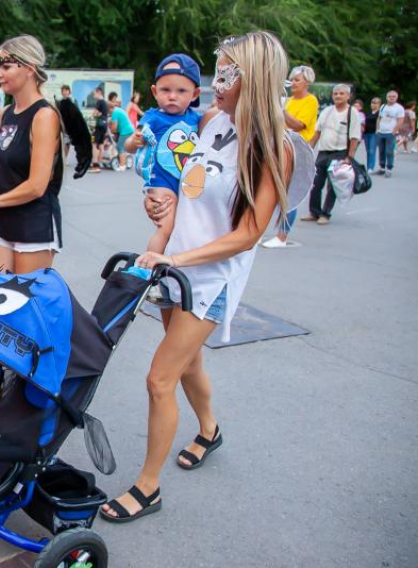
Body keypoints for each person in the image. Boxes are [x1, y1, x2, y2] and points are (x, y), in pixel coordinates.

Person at [99, 31, 311, 524]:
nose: (216, 82)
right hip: (174, 265)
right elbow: (186, 187)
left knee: (160, 378)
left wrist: (182, 259)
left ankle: (147, 487)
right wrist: (160, 204)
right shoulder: (212, 122)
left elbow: (247, 234)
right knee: (189, 363)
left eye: (225, 72)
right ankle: (210, 430)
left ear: (251, 77)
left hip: (208, 280)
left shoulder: (270, 147)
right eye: (216, 71)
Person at [0, 34, 63, 277]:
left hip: (35, 227)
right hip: (5, 222)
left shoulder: (44, 116)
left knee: (24, 308)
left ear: (29, 69)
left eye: (6, 66)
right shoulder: (7, 112)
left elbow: (37, 186)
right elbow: (3, 164)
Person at [125, 54, 202, 261]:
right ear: (154, 91)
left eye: (181, 91)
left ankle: (167, 267)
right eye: (165, 90)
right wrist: (135, 141)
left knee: (182, 228)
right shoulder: (153, 117)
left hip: (187, 181)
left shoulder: (198, 119)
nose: (172, 96)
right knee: (166, 227)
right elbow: (129, 145)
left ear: (195, 94)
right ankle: (147, 267)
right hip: (162, 180)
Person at [262, 65, 318, 248]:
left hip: (298, 151)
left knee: (289, 193)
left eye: (297, 80)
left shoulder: (310, 101)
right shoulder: (289, 100)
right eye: (292, 79)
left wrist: (280, 110)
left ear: (307, 82)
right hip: (280, 147)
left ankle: (282, 236)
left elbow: (299, 125)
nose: (293, 83)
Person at [300, 84, 361, 225]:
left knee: (332, 185)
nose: (338, 96)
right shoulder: (326, 111)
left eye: (341, 93)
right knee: (315, 183)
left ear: (348, 96)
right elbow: (317, 133)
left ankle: (325, 213)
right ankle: (314, 212)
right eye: (336, 94)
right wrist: (308, 151)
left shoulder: (352, 113)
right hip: (323, 152)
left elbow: (354, 138)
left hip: (340, 153)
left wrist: (349, 157)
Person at [375, 90, 405, 178]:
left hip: (390, 132)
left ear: (396, 97)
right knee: (381, 151)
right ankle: (382, 168)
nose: (391, 98)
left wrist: (394, 130)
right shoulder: (383, 106)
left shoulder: (399, 108)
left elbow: (400, 120)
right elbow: (379, 118)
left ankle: (389, 169)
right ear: (387, 97)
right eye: (390, 96)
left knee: (389, 151)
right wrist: (377, 129)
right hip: (381, 131)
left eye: (393, 96)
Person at [108, 91, 135, 170]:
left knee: (120, 147)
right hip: (128, 129)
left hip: (125, 131)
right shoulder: (117, 110)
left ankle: (122, 165)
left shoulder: (114, 113)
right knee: (121, 146)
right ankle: (123, 161)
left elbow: (114, 127)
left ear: (109, 109)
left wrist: (112, 131)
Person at [89, 86, 109, 173]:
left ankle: (95, 164)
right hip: (104, 125)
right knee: (100, 145)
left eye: (95, 93)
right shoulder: (105, 102)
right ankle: (99, 163)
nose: (94, 95)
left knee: (94, 144)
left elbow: (94, 114)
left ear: (99, 92)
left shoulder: (99, 102)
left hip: (99, 125)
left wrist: (95, 114)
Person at [363, 97, 381, 171]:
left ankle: (371, 167)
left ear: (379, 104)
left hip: (374, 133)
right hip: (366, 133)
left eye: (376, 103)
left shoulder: (380, 113)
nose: (374, 104)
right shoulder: (368, 112)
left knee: (372, 150)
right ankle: (368, 166)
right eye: (372, 103)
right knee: (368, 151)